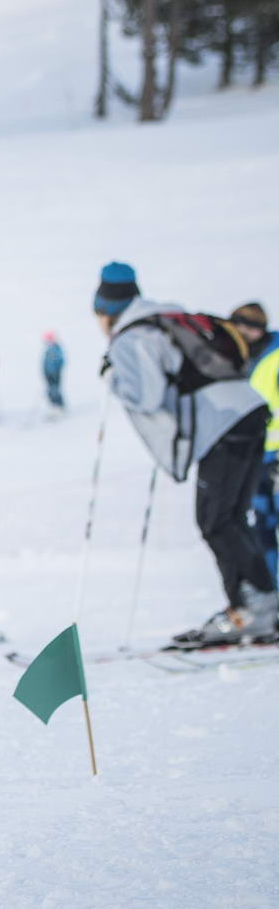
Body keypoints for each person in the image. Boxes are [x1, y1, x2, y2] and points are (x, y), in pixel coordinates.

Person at [95, 265, 276, 641]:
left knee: (215, 520)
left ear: (105, 310)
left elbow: (147, 396)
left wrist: (113, 377)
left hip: (223, 426)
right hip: (248, 412)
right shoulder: (165, 317)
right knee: (230, 518)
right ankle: (259, 605)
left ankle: (254, 609)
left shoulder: (132, 336)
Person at [232, 304, 277, 581]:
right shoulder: (242, 357)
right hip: (256, 454)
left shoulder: (274, 357)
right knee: (262, 523)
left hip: (275, 453)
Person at [42, 332, 67, 413]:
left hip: (55, 374)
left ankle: (59, 406)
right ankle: (53, 406)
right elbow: (45, 363)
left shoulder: (56, 349)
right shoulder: (48, 350)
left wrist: (56, 370)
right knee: (50, 390)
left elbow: (61, 361)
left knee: (55, 390)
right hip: (48, 374)